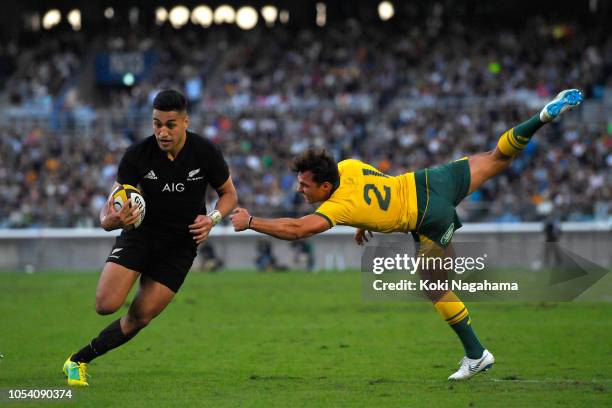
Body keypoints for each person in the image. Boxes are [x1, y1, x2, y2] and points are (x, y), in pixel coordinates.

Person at [231, 89, 584, 380]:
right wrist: (363, 223)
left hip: (429, 217)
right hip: (430, 180)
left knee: (433, 286)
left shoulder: (336, 207)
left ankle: (477, 354)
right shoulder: (349, 166)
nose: (299, 189)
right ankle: (541, 118)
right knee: (497, 157)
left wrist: (251, 222)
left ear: (326, 185)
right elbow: (375, 188)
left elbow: (296, 230)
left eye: (305, 185)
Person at [63, 89, 237, 386]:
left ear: (185, 122)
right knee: (105, 304)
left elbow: (229, 195)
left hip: (181, 246)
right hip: (140, 236)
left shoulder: (205, 152)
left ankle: (77, 361)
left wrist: (213, 219)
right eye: (157, 123)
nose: (162, 131)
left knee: (140, 316)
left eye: (170, 124)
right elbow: (108, 213)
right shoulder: (137, 155)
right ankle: (129, 275)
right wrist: (112, 220)